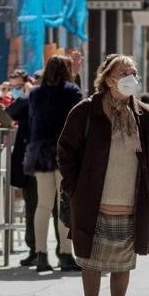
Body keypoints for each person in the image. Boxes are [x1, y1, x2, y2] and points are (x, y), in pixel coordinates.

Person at [58, 55, 149, 296]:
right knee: (90, 262)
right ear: (107, 77)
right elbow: (65, 151)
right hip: (93, 201)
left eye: (133, 71)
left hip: (129, 202)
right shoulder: (86, 112)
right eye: (123, 71)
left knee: (122, 263)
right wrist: (74, 188)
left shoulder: (144, 115)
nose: (129, 76)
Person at [25, 55, 84, 272]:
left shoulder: (36, 93)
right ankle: (66, 254)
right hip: (65, 151)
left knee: (43, 205)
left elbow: (31, 119)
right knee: (65, 205)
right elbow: (80, 116)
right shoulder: (72, 91)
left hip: (40, 151)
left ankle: (41, 254)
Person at [6, 68, 53, 266]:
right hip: (31, 160)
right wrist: (26, 94)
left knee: (52, 207)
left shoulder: (54, 100)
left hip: (49, 159)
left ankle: (61, 250)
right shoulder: (29, 100)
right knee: (32, 204)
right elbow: (10, 112)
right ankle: (34, 248)